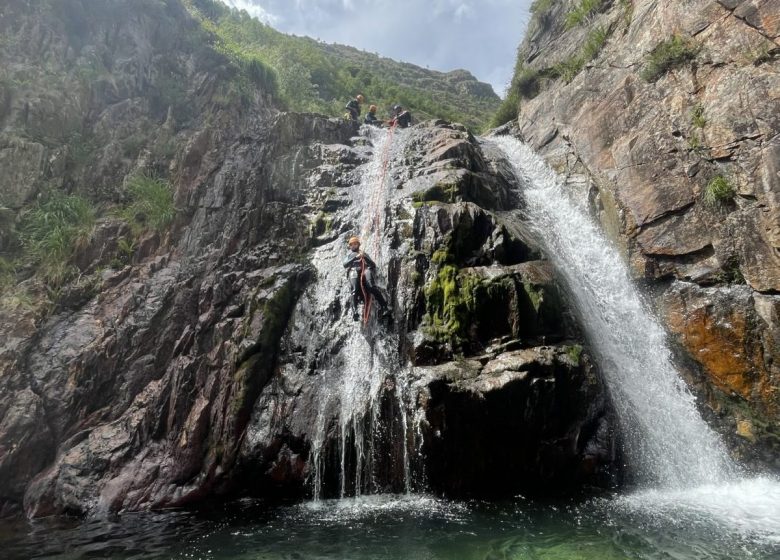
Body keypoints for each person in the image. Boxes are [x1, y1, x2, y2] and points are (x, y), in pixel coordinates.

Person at [343, 236, 390, 321]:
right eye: (352, 244)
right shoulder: (349, 255)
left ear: (358, 244)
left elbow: (373, 265)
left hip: (365, 270)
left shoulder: (363, 253)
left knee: (372, 286)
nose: (354, 245)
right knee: (354, 290)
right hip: (353, 270)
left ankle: (384, 307)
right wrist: (355, 258)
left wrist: (364, 257)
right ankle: (355, 312)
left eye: (355, 243)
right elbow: (345, 264)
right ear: (350, 246)